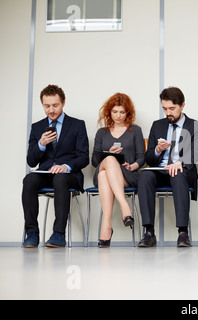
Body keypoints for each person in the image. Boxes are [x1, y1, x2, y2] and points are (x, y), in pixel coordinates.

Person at [22, 85, 89, 248]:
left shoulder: (77, 125)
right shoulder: (37, 127)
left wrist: (66, 166)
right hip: (45, 173)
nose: (51, 110)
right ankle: (31, 233)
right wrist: (41, 144)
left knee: (60, 179)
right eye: (47, 106)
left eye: (55, 105)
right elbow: (31, 161)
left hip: (69, 176)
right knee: (29, 180)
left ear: (63, 103)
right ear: (42, 105)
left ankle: (58, 234)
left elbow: (84, 157)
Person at [138, 87, 198, 247]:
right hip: (159, 171)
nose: (168, 113)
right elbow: (148, 158)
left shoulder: (196, 126)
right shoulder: (157, 125)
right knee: (145, 175)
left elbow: (194, 154)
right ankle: (148, 232)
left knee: (178, 173)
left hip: (182, 171)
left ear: (182, 105)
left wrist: (179, 164)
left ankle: (183, 232)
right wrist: (157, 150)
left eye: (172, 109)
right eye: (165, 109)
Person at [91, 93, 145, 248]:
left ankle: (106, 227)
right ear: (109, 112)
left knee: (103, 176)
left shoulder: (135, 130)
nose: (118, 116)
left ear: (128, 113)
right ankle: (125, 207)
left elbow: (141, 158)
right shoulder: (102, 132)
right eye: (115, 112)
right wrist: (109, 153)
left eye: (122, 112)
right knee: (108, 161)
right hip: (106, 169)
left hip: (128, 175)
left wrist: (132, 166)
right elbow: (95, 161)